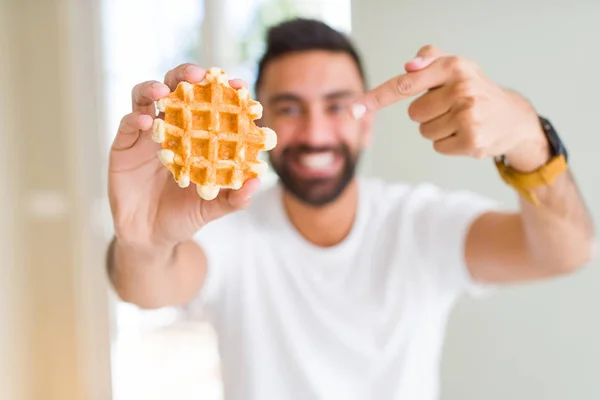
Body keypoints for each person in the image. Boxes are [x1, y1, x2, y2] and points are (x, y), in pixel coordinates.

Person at [106, 18, 595, 400]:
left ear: (367, 125)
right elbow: (147, 288)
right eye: (291, 108)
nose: (316, 134)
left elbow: (565, 253)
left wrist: (531, 141)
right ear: (259, 120)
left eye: (338, 105)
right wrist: (144, 239)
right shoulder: (232, 226)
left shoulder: (420, 225)